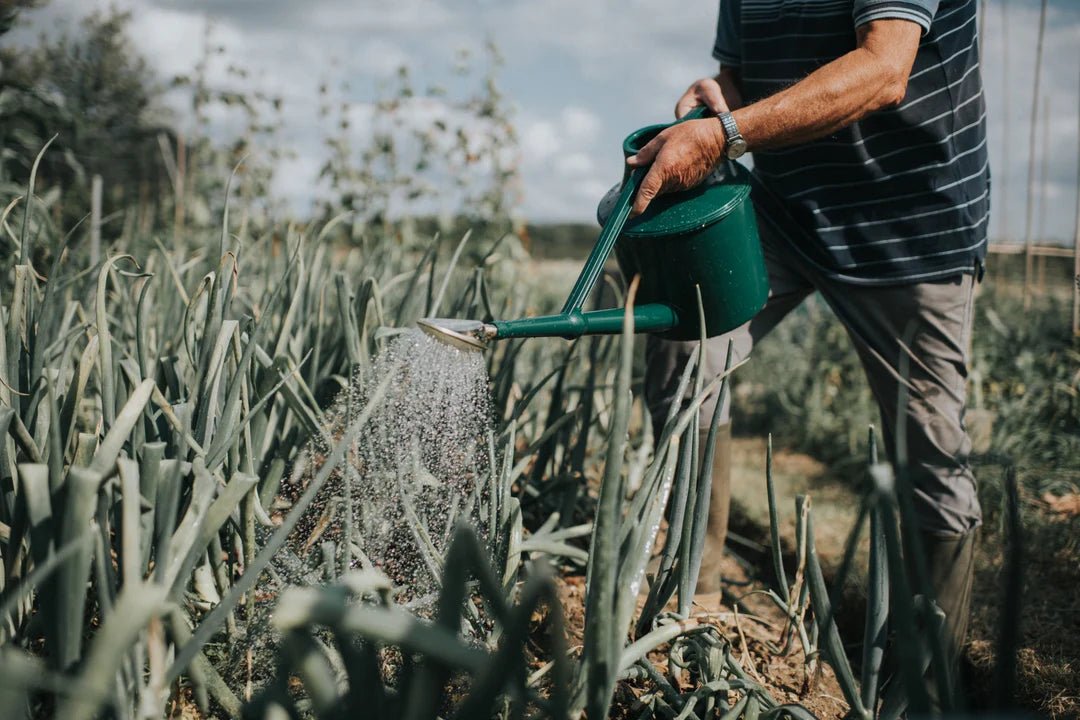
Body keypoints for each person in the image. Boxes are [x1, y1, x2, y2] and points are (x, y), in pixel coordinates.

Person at [632, 0, 987, 692]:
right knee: (688, 345)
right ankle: (694, 610)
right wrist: (718, 105)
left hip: (909, 223)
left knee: (929, 447)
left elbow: (884, 70)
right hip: (786, 210)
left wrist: (725, 134)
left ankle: (925, 684)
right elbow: (739, 75)